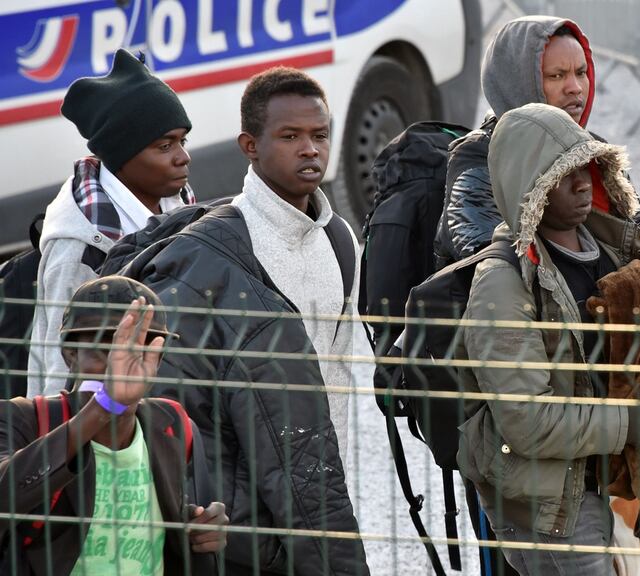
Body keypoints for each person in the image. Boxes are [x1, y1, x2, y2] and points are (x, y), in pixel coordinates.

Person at [120, 67, 368, 575]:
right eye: (290, 136)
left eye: (320, 135)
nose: (310, 150)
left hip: (319, 489)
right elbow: (175, 404)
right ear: (250, 145)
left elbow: (335, 371)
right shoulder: (209, 255)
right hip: (240, 524)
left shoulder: (340, 240)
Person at [456, 103, 640, 575]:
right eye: (562, 174)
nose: (583, 183)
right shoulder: (503, 283)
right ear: (530, 185)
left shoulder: (616, 254)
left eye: (588, 166)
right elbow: (527, 420)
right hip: (549, 505)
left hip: (609, 479)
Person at [0, 276, 227, 575]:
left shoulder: (171, 423)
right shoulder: (22, 417)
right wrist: (107, 404)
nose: (121, 362)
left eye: (140, 348)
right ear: (70, 354)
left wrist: (202, 527)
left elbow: (154, 517)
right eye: (105, 348)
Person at [29, 49, 195, 398]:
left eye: (182, 140)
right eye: (165, 146)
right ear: (123, 156)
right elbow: (58, 365)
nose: (183, 156)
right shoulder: (80, 248)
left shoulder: (180, 203)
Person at [434, 15, 640, 270]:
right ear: (515, 83)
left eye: (581, 72)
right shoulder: (478, 158)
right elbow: (486, 260)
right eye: (557, 75)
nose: (575, 88)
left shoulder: (596, 153)